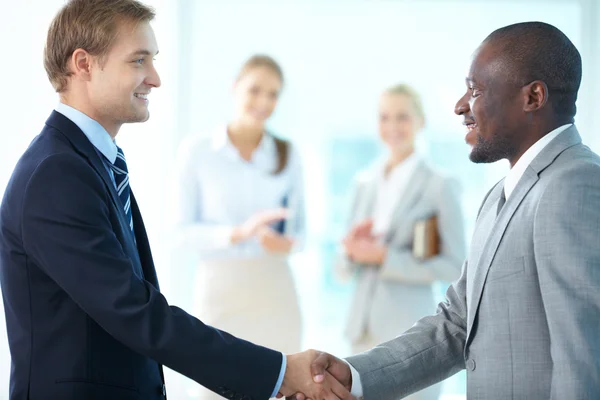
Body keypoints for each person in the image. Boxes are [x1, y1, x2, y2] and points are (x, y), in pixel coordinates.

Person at [0, 1, 350, 399]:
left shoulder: (93, 160)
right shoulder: (57, 173)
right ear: (83, 64)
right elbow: (133, 311)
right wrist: (279, 372)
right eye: (138, 60)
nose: (155, 78)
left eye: (154, 60)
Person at [301, 21, 600, 400]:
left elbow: (585, 356)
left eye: (475, 90)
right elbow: (458, 323)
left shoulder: (574, 184)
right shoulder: (498, 196)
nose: (461, 106)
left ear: (533, 97)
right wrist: (354, 375)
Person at [172, 55, 305, 364]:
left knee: (285, 384)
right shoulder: (198, 151)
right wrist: (238, 233)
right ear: (234, 88)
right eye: (255, 90)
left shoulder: (287, 154)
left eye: (273, 94)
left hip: (275, 286)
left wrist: (285, 244)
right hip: (220, 289)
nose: (264, 101)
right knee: (214, 383)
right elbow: (180, 233)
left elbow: (301, 232)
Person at [338, 83, 465, 400]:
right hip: (360, 333)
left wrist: (384, 257)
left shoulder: (439, 185)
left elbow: (455, 266)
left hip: (410, 337)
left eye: (402, 117)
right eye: (384, 117)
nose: (392, 127)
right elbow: (341, 270)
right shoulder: (363, 183)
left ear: (421, 121)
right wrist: (350, 251)